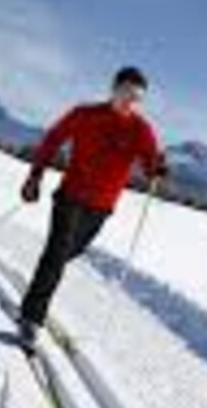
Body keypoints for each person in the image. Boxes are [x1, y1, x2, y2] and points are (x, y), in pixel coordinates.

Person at [16, 66, 167, 351]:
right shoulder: (85, 115)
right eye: (125, 93)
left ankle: (38, 289)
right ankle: (31, 318)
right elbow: (53, 139)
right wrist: (35, 175)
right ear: (113, 89)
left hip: (101, 207)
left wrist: (157, 168)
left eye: (136, 98)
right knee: (56, 254)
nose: (129, 102)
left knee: (64, 255)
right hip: (70, 197)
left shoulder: (141, 130)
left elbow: (150, 163)